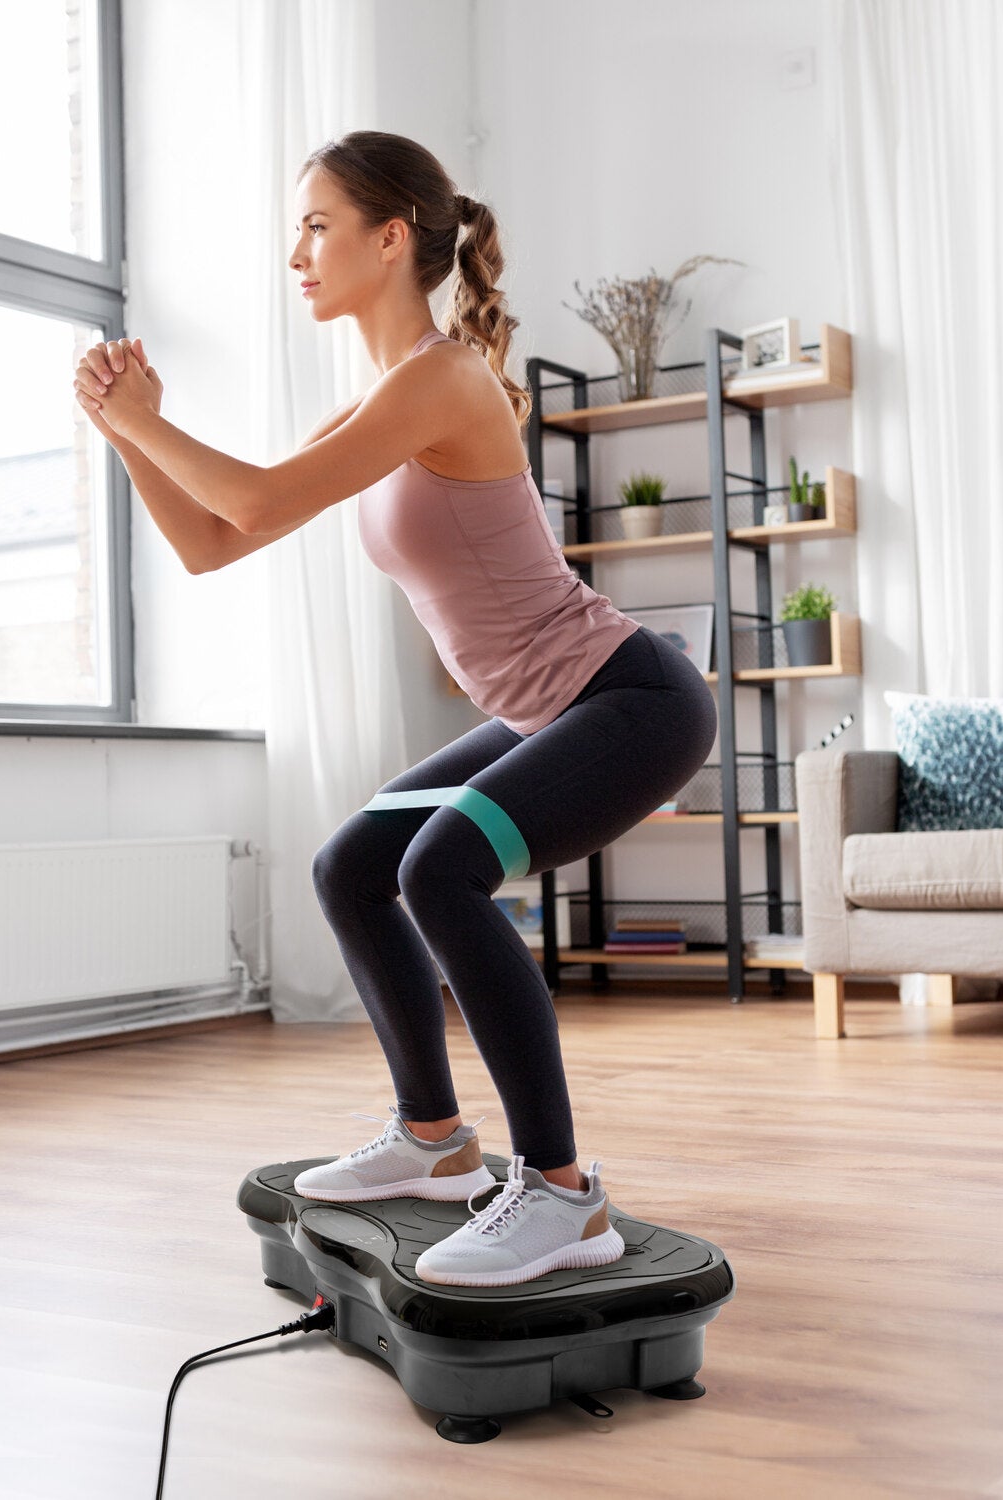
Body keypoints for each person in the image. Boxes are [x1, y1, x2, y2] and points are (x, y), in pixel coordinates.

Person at [71, 130, 717, 1288]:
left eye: (317, 225)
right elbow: (218, 542)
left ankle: (563, 1195)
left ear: (391, 236)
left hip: (632, 699)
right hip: (546, 712)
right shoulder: (383, 394)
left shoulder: (443, 376)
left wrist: (144, 421)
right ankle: (434, 1142)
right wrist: (127, 438)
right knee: (352, 867)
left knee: (438, 871)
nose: (297, 253)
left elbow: (256, 501)